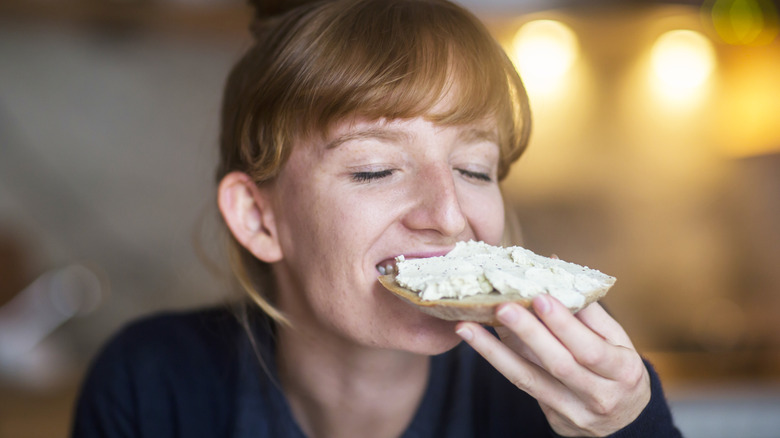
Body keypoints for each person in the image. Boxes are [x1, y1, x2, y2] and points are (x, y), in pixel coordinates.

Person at [72, 0, 681, 437]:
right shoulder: (151, 386)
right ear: (259, 218)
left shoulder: (563, 400)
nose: (448, 216)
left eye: (474, 169)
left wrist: (631, 430)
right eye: (373, 170)